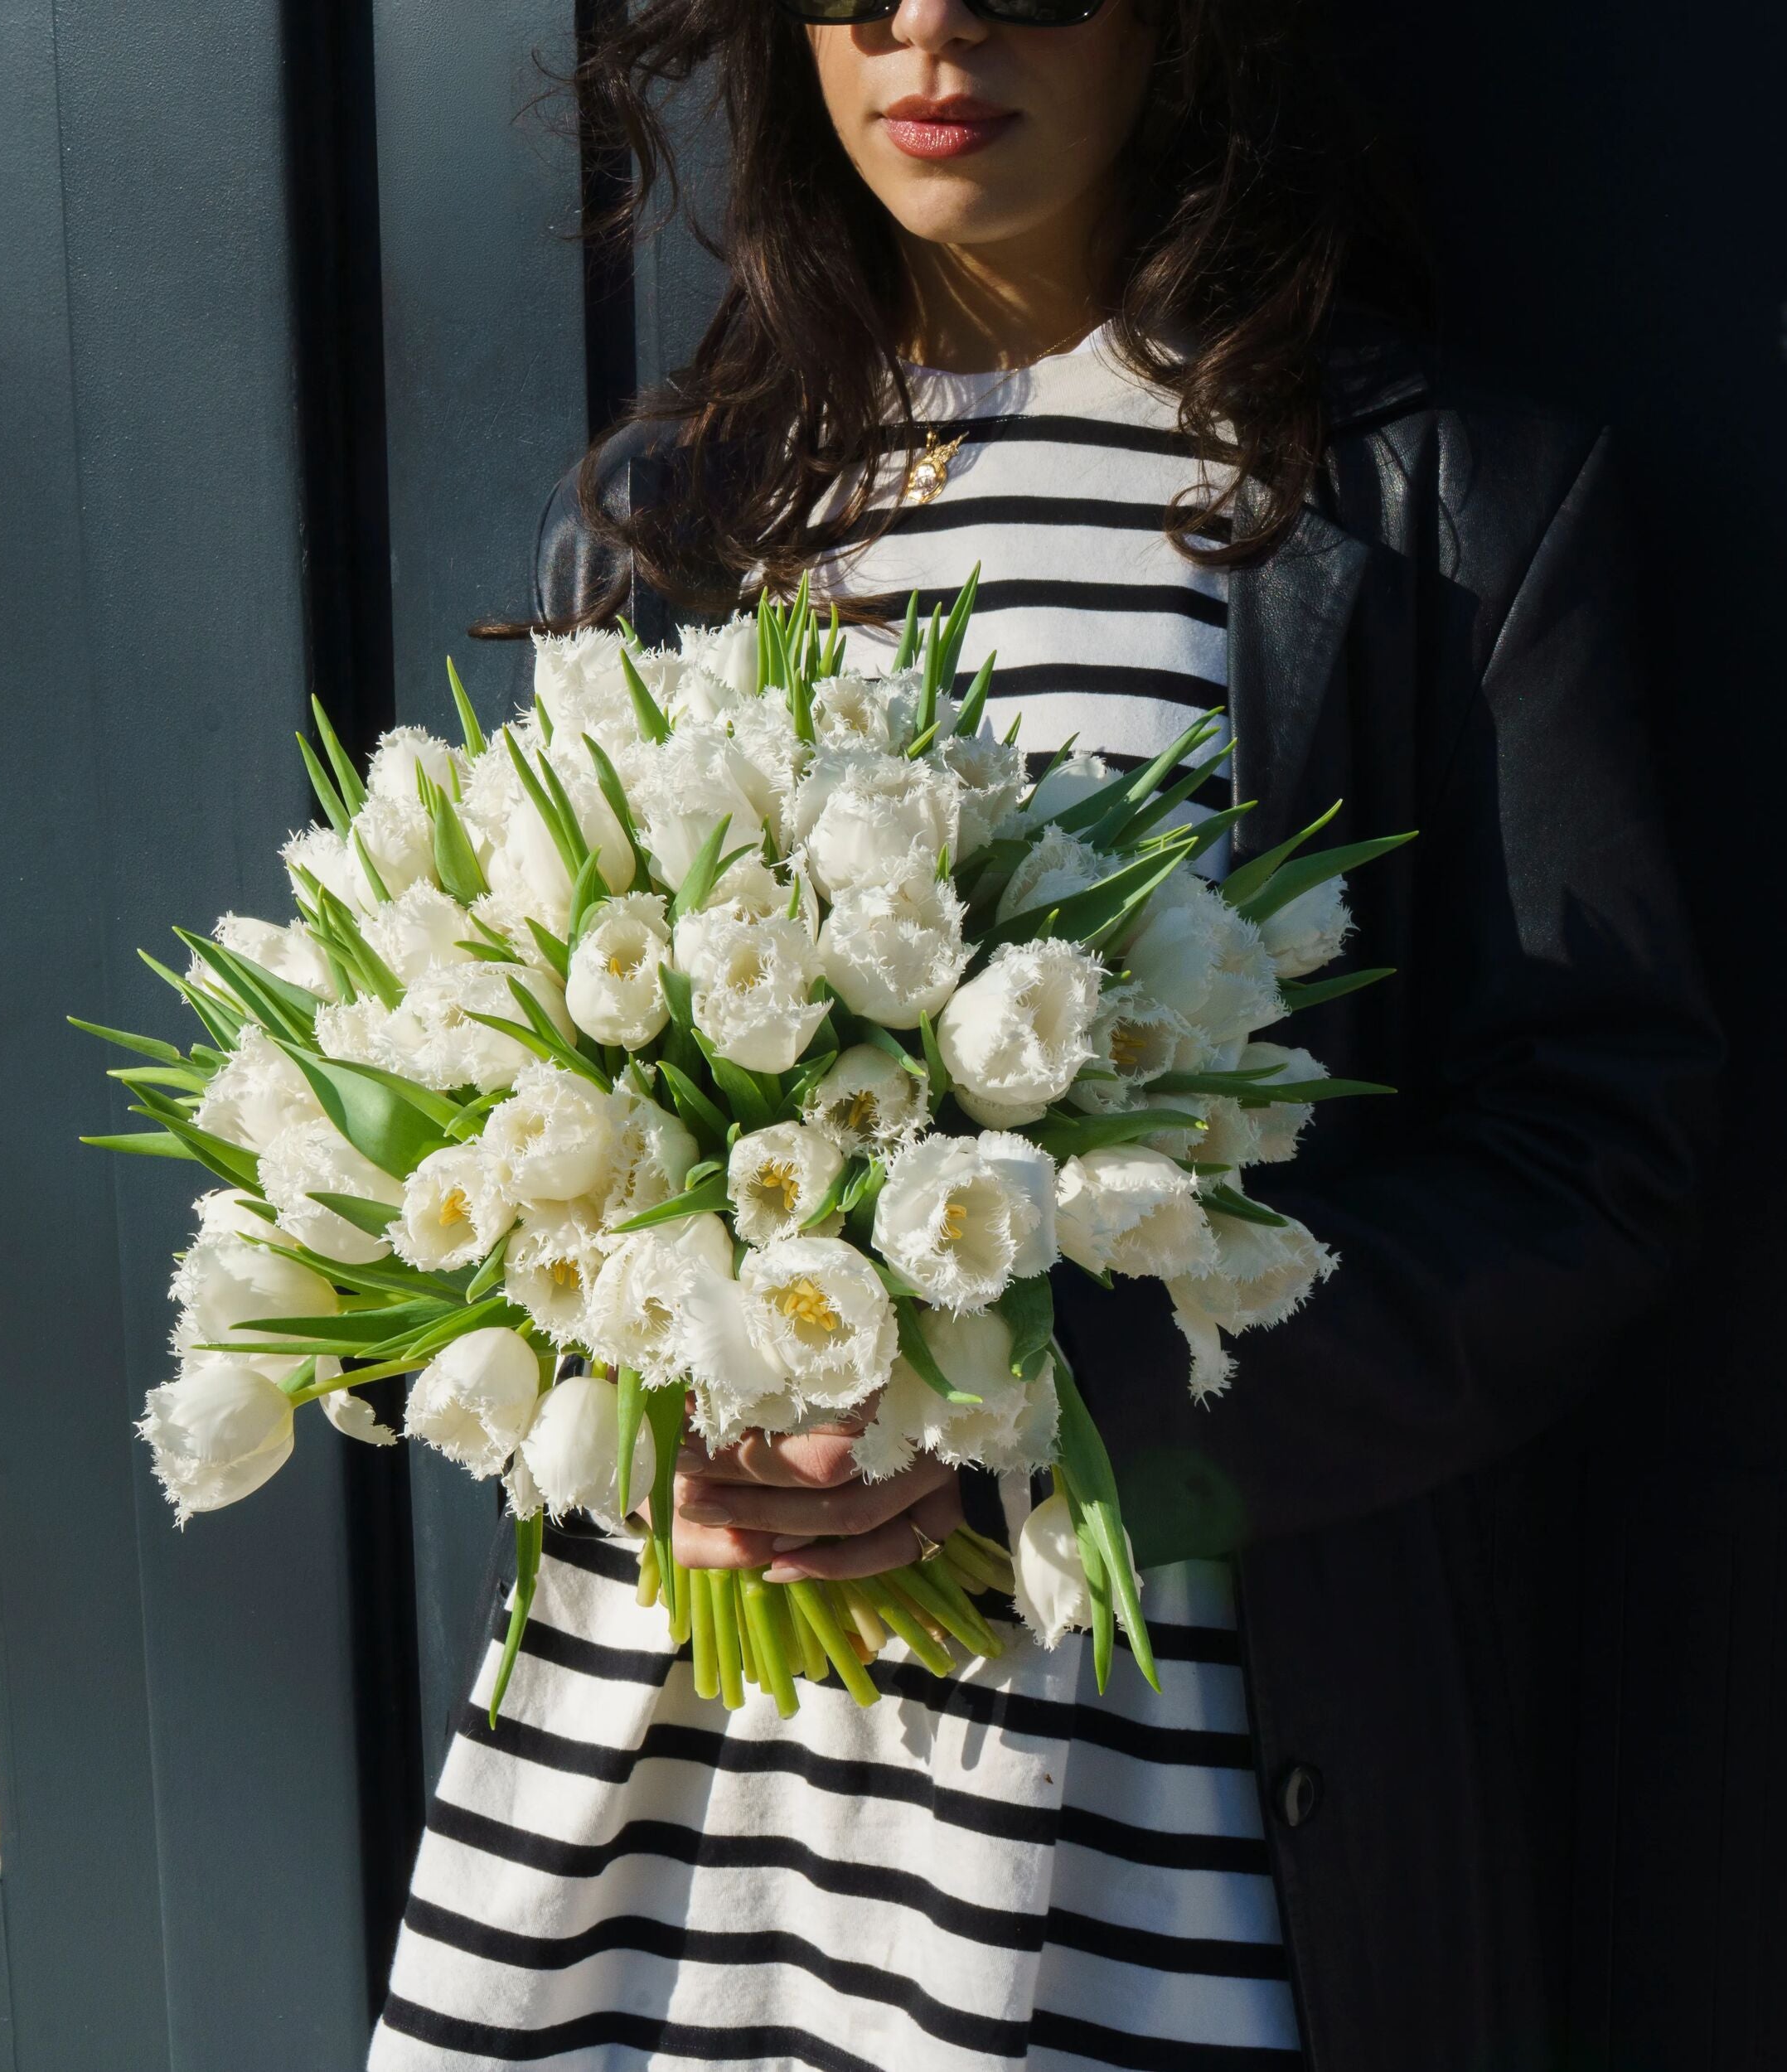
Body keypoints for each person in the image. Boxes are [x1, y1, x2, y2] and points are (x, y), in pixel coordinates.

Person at [371, 4, 1718, 2067]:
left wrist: (1056, 1414)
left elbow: (1591, 1153)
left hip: (1145, 1806)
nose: (930, 20)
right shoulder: (680, 508)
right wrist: (651, 1381)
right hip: (680, 1793)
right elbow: (539, 1073)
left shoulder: (1433, 505)